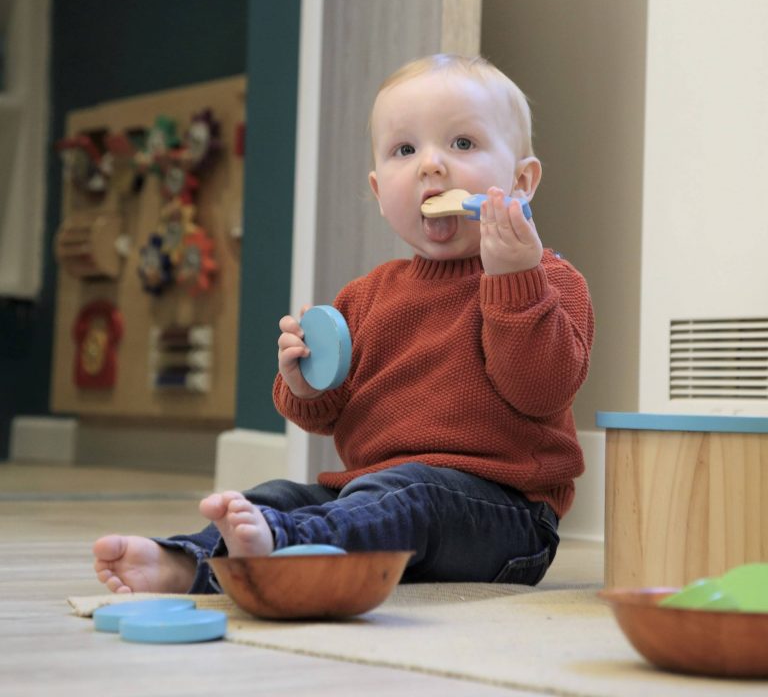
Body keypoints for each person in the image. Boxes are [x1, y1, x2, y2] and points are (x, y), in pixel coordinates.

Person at [93, 53, 594, 594]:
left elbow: (539, 391)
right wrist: (303, 382)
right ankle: (191, 560)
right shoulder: (366, 296)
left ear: (521, 182)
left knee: (408, 495)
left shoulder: (548, 280)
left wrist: (512, 278)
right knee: (278, 495)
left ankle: (282, 550)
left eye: (462, 144)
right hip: (373, 493)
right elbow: (329, 413)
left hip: (505, 517)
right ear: (381, 195)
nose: (431, 165)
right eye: (405, 150)